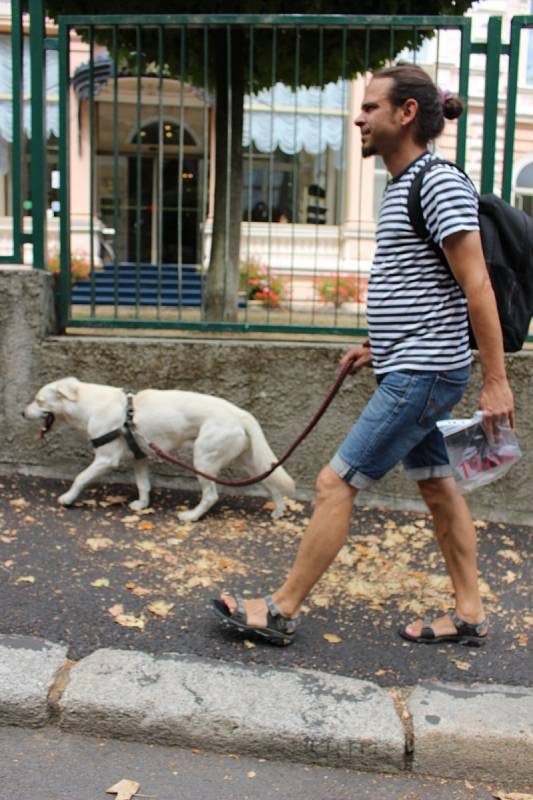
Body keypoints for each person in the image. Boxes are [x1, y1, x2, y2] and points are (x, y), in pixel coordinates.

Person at [212, 64, 515, 647]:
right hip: (411, 364)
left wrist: (496, 380)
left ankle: (280, 610)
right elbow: (423, 286)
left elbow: (475, 284)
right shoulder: (403, 185)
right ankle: (471, 611)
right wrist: (378, 347)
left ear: (406, 114)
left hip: (425, 372)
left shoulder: (438, 181)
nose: (359, 116)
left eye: (372, 106)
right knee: (437, 486)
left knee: (334, 483)